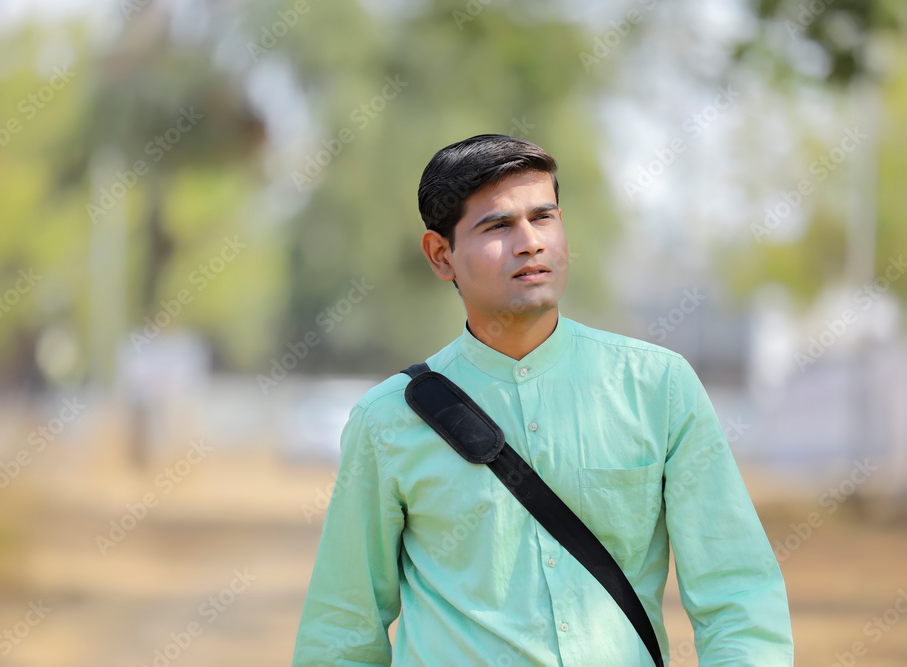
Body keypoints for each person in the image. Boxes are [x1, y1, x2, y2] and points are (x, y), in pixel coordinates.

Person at [292, 134, 794, 665]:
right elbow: (343, 632)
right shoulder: (388, 420)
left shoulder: (658, 388)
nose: (530, 242)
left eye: (543, 217)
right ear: (441, 256)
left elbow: (737, 597)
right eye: (498, 226)